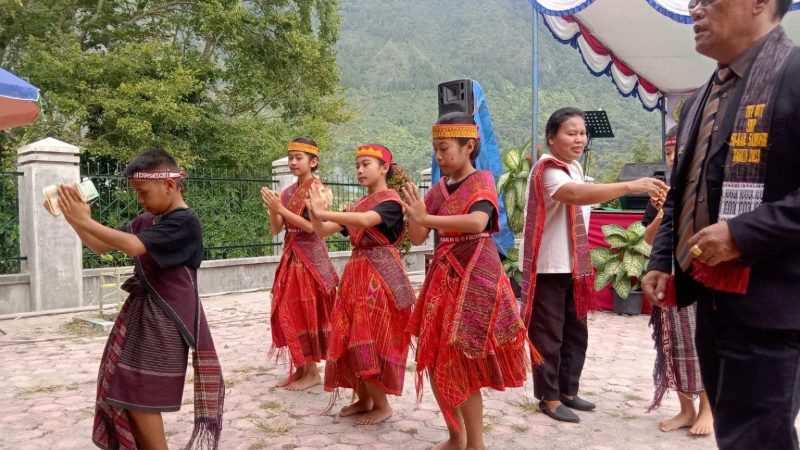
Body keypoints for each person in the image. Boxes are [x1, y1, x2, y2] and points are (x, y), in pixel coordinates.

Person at [641, 1, 800, 448]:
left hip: (771, 310)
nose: (695, 9)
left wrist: (743, 234)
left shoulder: (794, 75)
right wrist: (661, 259)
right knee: (737, 436)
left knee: (757, 440)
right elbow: (682, 192)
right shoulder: (701, 99)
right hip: (711, 306)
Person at [52, 148, 224, 450]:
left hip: (166, 320)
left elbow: (133, 247)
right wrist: (75, 219)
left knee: (140, 397)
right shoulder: (149, 220)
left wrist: (85, 221)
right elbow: (98, 245)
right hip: (143, 315)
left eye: (143, 193)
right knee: (127, 391)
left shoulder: (185, 222)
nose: (140, 200)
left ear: (169, 185)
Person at [519, 107, 666, 423]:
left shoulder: (572, 168)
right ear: (551, 137)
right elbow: (576, 195)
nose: (579, 139)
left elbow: (588, 192)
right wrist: (630, 186)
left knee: (576, 331)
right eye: (571, 133)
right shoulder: (547, 170)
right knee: (549, 335)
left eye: (582, 133)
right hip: (548, 266)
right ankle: (549, 397)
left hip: (575, 266)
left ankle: (568, 390)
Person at [400, 113, 530, 450]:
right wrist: (413, 214)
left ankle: (476, 444)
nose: (439, 156)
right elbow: (416, 237)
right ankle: (456, 437)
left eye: (444, 149)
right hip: (443, 277)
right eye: (435, 149)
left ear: (468, 146)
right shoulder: (439, 189)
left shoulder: (482, 180)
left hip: (476, 279)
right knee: (432, 358)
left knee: (464, 362)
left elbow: (477, 222)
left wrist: (426, 216)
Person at [307, 144, 414, 426]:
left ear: (384, 168)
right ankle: (364, 398)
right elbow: (321, 231)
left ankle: (382, 405)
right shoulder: (354, 207)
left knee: (370, 340)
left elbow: (366, 221)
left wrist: (327, 213)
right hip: (355, 279)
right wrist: (317, 211)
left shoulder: (391, 203)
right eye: (357, 165)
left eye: (366, 164)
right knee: (347, 338)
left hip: (379, 281)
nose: (360, 170)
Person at [642, 126, 712, 436]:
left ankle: (708, 410)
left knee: (702, 342)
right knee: (672, 345)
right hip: (668, 280)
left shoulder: (705, 188)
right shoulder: (662, 192)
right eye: (669, 154)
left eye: (678, 154)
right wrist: (663, 211)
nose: (673, 159)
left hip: (699, 279)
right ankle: (686, 409)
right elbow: (648, 236)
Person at [260, 137, 339, 391]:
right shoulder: (286, 192)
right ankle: (301, 369)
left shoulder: (320, 191)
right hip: (290, 255)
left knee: (305, 312)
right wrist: (273, 209)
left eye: (299, 158)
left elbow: (313, 228)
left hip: (310, 258)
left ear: (313, 162)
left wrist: (280, 210)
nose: (293, 162)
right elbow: (276, 230)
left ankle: (313, 372)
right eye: (291, 157)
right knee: (286, 310)